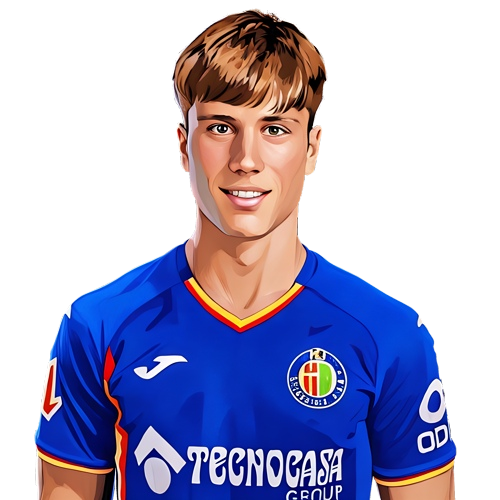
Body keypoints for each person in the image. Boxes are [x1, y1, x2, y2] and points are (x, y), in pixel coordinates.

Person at [34, 8, 456, 500]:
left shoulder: (390, 333)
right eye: (220, 127)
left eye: (275, 129)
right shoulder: (98, 325)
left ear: (312, 148)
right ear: (184, 146)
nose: (246, 160)